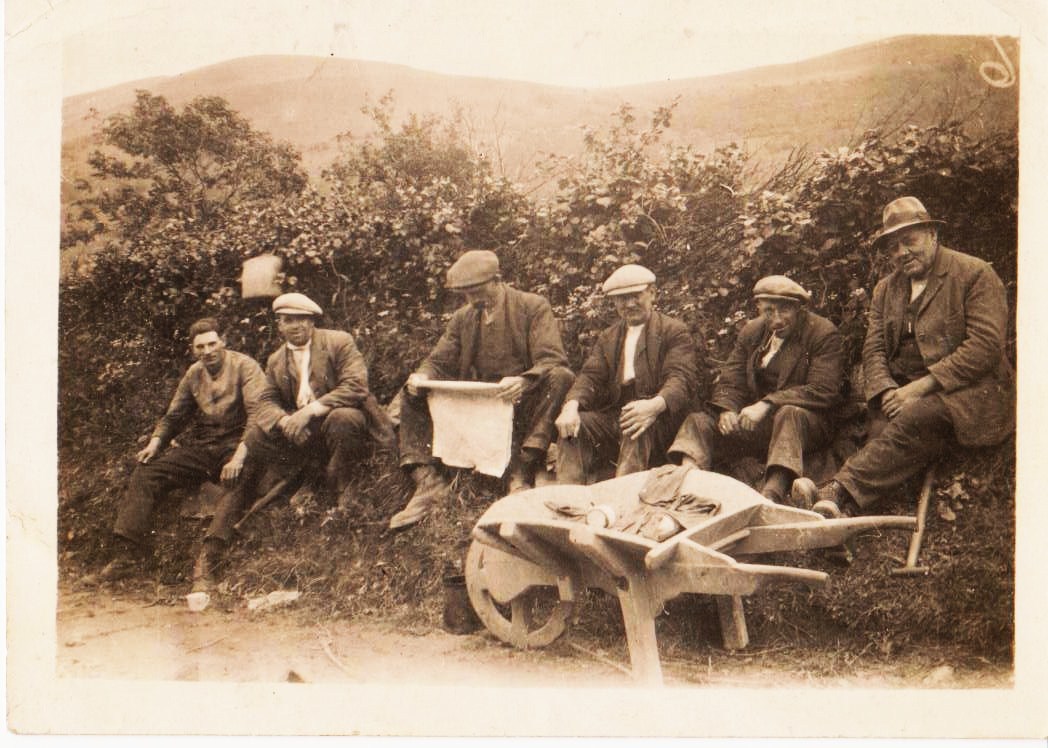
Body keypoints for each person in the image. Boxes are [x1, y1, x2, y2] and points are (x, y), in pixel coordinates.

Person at [811, 197, 1015, 518]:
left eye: (909, 241)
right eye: (892, 248)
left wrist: (919, 389)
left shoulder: (974, 274)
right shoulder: (885, 289)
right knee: (880, 434)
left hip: (967, 393)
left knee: (914, 420)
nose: (901, 253)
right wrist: (887, 390)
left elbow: (984, 347)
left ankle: (836, 489)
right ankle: (840, 516)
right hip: (902, 392)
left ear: (933, 235)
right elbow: (874, 347)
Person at [195, 292, 392, 582]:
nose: (296, 325)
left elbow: (356, 385)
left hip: (342, 424)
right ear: (280, 325)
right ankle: (213, 546)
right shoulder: (276, 360)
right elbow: (265, 401)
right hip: (304, 436)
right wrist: (285, 419)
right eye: (288, 320)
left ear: (312, 322)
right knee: (255, 440)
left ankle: (341, 491)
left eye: (302, 319)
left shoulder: (338, 341)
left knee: (343, 418)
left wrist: (310, 411)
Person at [389, 249, 574, 529]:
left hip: (520, 400)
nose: (473, 300)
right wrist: (422, 375)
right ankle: (428, 481)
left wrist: (524, 381)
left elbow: (551, 358)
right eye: (466, 294)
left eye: (478, 291)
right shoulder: (464, 317)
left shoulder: (533, 306)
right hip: (480, 404)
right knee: (411, 390)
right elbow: (439, 360)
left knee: (560, 377)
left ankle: (521, 471)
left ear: (498, 280)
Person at [97, 318, 266, 582]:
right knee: (148, 471)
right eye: (200, 347)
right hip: (204, 447)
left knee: (241, 478)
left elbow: (258, 414)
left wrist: (239, 457)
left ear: (223, 342)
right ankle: (127, 555)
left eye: (212, 343)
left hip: (238, 444)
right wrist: (155, 443)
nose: (207, 351)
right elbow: (174, 416)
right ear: (193, 349)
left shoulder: (246, 366)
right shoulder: (194, 374)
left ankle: (209, 556)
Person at [666, 276, 843, 503]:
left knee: (789, 414)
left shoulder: (822, 333)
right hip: (760, 426)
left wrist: (767, 403)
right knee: (698, 421)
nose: (776, 319)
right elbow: (731, 378)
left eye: (784, 310)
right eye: (769, 311)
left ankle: (772, 495)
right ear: (759, 307)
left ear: (799, 308)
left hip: (807, 425)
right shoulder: (753, 331)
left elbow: (823, 390)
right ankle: (687, 485)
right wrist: (726, 409)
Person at [554, 264, 698, 484]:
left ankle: (623, 499)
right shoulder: (609, 337)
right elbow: (590, 376)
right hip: (619, 415)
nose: (629, 304)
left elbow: (680, 378)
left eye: (636, 296)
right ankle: (567, 497)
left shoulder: (673, 331)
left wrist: (654, 405)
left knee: (635, 424)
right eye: (622, 298)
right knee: (575, 426)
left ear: (652, 293)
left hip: (662, 419)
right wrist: (571, 406)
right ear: (614, 302)